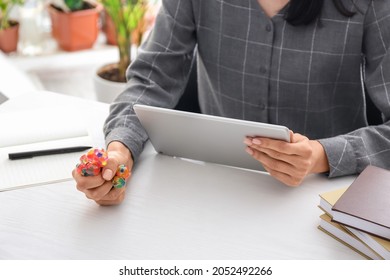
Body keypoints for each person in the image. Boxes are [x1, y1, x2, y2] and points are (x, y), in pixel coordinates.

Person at [73, 0, 390, 205]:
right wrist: (119, 152)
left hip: (328, 199)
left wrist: (321, 155)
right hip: (219, 194)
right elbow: (152, 79)